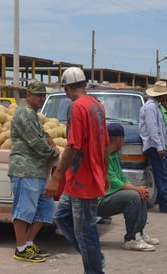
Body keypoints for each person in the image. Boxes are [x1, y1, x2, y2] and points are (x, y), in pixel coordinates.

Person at [45, 67, 109, 274]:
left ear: (66, 87)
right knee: (62, 218)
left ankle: (94, 269)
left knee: (85, 232)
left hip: (83, 180)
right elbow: (105, 143)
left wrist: (56, 177)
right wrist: (105, 171)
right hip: (80, 180)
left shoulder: (76, 107)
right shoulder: (97, 106)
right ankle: (95, 258)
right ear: (83, 84)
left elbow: (73, 145)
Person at [8, 80, 60, 263]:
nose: (41, 98)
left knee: (44, 210)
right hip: (25, 170)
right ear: (28, 95)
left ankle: (29, 244)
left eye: (43, 95)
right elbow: (37, 143)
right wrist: (54, 151)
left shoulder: (33, 115)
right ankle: (20, 248)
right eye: (38, 95)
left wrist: (50, 141)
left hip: (38, 171)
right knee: (24, 211)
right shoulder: (24, 113)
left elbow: (44, 136)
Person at [97, 123, 160, 252]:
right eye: (123, 138)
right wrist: (135, 190)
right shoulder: (103, 154)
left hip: (109, 196)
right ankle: (131, 239)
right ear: (118, 139)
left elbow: (122, 177)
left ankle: (140, 233)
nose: (124, 141)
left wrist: (138, 189)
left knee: (141, 194)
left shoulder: (113, 153)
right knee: (133, 197)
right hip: (99, 201)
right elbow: (114, 182)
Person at [139, 81, 167, 214]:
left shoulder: (155, 106)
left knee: (162, 174)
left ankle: (166, 202)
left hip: (158, 145)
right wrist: (159, 147)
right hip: (154, 146)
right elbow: (153, 129)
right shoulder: (151, 108)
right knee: (161, 175)